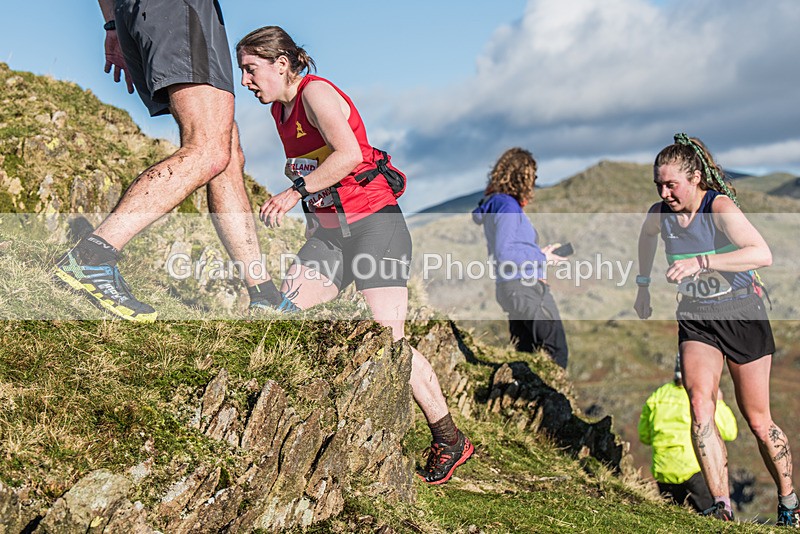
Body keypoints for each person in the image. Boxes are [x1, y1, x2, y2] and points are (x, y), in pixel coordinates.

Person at [235, 26, 472, 484]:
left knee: (391, 342)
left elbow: (347, 155)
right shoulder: (280, 111)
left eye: (250, 69)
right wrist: (308, 210)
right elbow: (314, 168)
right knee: (279, 314)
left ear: (280, 63)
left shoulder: (316, 93)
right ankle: (285, 422)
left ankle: (449, 438)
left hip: (375, 228)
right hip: (329, 237)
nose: (246, 81)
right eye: (243, 72)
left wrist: (292, 193)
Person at [54, 0, 288, 322]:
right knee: (208, 148)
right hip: (179, 8)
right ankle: (91, 257)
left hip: (135, 13)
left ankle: (264, 294)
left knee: (226, 150)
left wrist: (112, 26)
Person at [633, 133, 799, 525]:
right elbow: (645, 236)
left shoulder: (718, 207)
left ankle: (789, 502)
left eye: (671, 184)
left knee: (758, 419)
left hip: (742, 313)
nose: (665, 192)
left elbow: (762, 253)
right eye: (659, 184)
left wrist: (703, 262)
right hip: (697, 316)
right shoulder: (660, 214)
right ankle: (719, 506)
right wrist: (643, 285)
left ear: (695, 179)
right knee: (699, 405)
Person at [472, 148, 569, 368]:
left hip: (514, 288)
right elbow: (505, 252)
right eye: (533, 176)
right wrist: (541, 257)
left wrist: (539, 254)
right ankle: (547, 402)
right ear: (523, 177)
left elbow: (510, 248)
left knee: (527, 356)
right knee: (555, 351)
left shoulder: (499, 204)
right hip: (525, 288)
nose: (534, 182)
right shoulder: (507, 206)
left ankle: (523, 400)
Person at [639, 354, 738, 513]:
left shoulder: (656, 397)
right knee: (714, 518)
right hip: (693, 470)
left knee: (673, 519)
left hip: (663, 471)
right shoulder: (700, 398)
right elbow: (729, 432)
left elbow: (644, 436)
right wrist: (718, 401)